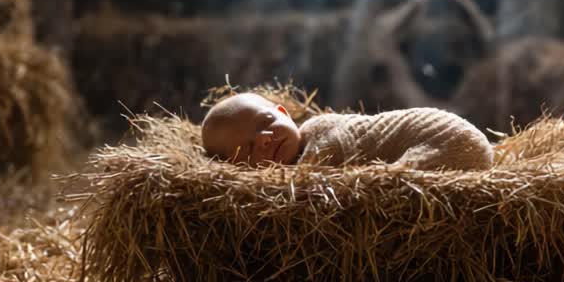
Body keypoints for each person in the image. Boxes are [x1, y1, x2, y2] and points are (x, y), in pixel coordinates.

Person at [201, 92, 493, 171]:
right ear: (236, 169)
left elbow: (313, 177)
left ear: (283, 112)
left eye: (266, 123)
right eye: (249, 149)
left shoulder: (319, 133)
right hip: (442, 141)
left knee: (395, 180)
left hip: (443, 137)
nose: (265, 140)